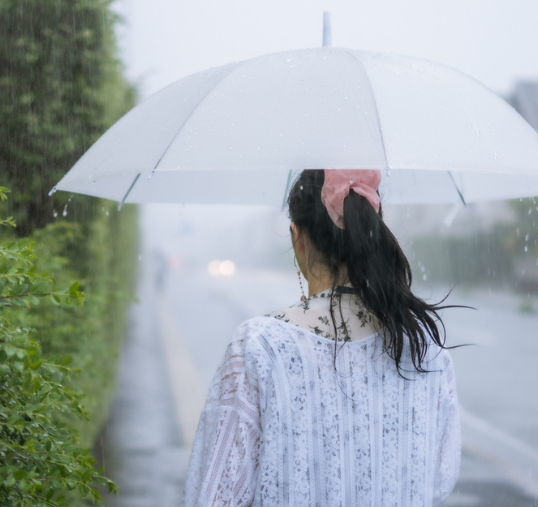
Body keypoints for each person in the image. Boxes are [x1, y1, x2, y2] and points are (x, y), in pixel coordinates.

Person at [183, 169, 461, 507]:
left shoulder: (260, 348)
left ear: (297, 238)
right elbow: (437, 481)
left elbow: (214, 495)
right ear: (371, 232)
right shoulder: (426, 352)